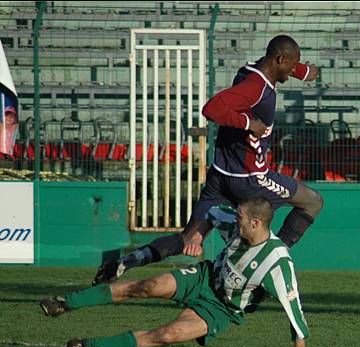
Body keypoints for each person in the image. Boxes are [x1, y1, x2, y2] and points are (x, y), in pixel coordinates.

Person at [92, 34, 323, 286]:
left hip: (219, 177)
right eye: (292, 64)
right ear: (280, 60)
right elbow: (211, 108)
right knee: (312, 202)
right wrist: (249, 123)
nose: (293, 70)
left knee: (189, 238)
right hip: (249, 179)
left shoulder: (253, 70)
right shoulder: (256, 88)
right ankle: (275, 258)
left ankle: (124, 264)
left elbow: (277, 62)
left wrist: (302, 70)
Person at [40, 197, 310, 347]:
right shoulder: (236, 227)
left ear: (255, 223)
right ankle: (66, 302)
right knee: (146, 286)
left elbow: (294, 311)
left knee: (168, 335)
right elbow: (214, 213)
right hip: (204, 278)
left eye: (240, 218)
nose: (235, 220)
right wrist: (197, 236)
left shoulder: (276, 262)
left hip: (222, 309)